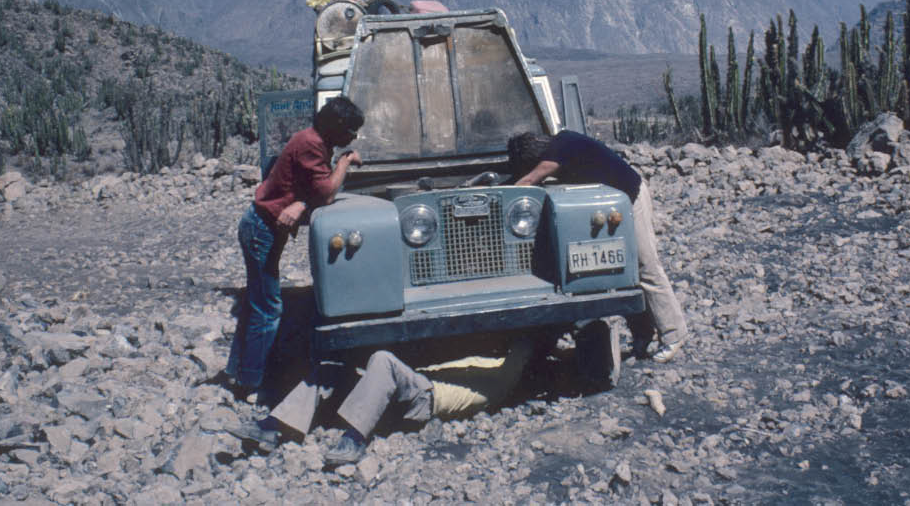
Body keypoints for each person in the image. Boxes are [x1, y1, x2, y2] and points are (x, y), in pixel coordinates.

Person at [226, 96, 364, 404]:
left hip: (262, 228)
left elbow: (306, 187)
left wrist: (301, 201)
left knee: (258, 303)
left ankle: (241, 372)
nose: (353, 137)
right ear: (337, 127)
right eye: (351, 130)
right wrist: (344, 163)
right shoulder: (312, 145)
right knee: (269, 309)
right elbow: (326, 193)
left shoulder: (312, 141)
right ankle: (250, 383)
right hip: (261, 229)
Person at [507, 130, 689, 363]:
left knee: (646, 265)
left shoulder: (556, 152)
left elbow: (529, 181)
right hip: (615, 200)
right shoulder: (563, 141)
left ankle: (675, 334)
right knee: (626, 271)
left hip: (631, 196)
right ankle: (643, 334)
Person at [230, 335, 535, 467]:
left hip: (425, 400)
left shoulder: (502, 377)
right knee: (330, 370)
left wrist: (531, 338)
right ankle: (273, 425)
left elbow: (523, 350)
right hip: (411, 386)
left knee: (383, 360)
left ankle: (354, 440)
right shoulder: (481, 358)